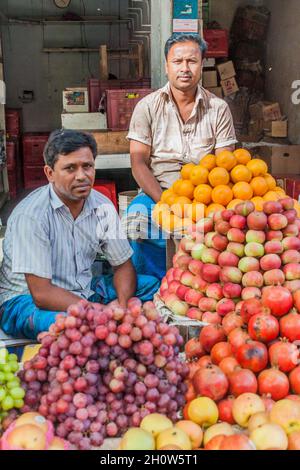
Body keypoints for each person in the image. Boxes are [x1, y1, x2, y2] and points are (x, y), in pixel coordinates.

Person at [0, 130, 160, 339]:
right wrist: (98, 311)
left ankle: (96, 317)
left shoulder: (101, 205)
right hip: (25, 302)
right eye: (70, 168)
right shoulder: (32, 215)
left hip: (82, 291)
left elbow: (123, 265)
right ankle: (90, 320)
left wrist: (121, 307)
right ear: (50, 173)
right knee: (70, 325)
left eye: (87, 166)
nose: (82, 176)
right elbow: (41, 293)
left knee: (154, 286)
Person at [124, 33, 237, 281]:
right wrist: (166, 201)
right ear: (166, 65)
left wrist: (201, 206)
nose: (184, 68)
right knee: (136, 222)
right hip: (158, 194)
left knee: (226, 233)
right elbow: (138, 163)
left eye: (192, 61)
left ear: (202, 64)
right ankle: (150, 288)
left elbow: (223, 167)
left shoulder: (218, 109)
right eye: (177, 62)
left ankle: (199, 286)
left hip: (205, 198)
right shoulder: (147, 107)